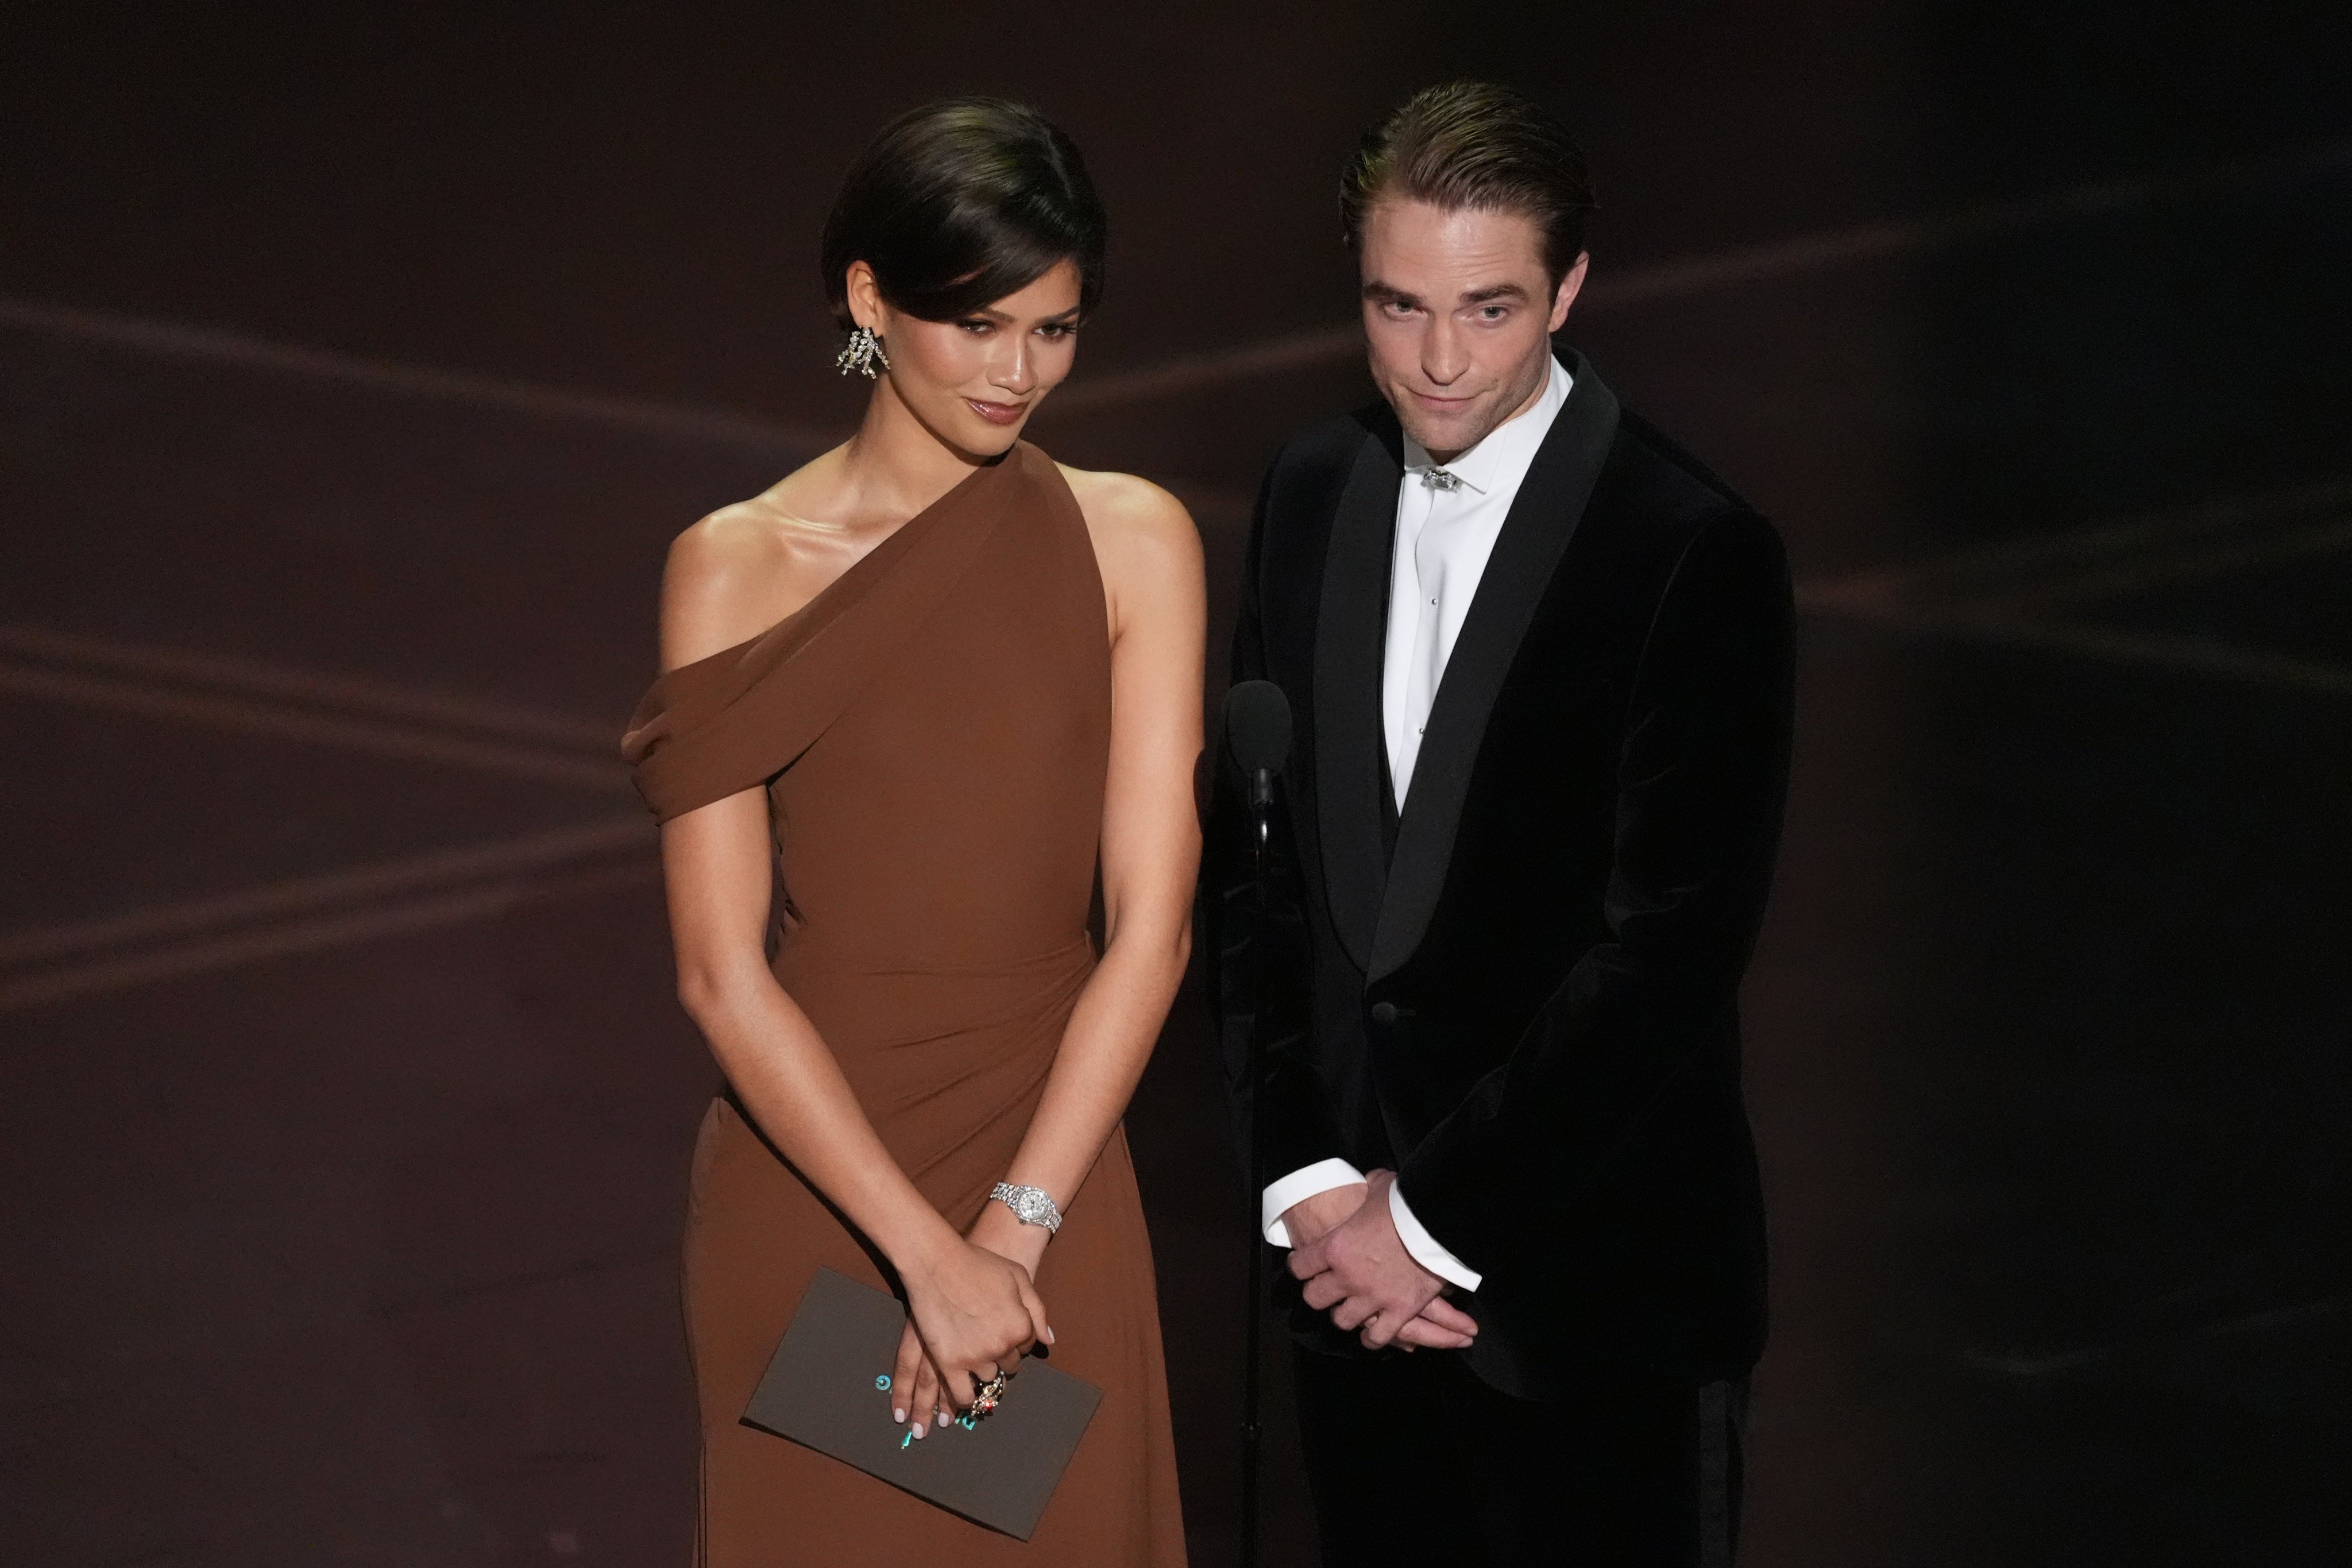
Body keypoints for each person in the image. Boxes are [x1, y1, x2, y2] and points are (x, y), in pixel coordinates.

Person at [1206, 81, 1793, 1565]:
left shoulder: (1691, 551)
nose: (1440, 360)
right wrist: (1311, 1185)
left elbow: (1668, 953)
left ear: (1572, 288)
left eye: (1488, 307)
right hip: (1347, 1284)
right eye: (1397, 306)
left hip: (1595, 1301)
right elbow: (1258, 872)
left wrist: (1428, 1219)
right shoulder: (1311, 490)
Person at [624, 98, 1200, 1566]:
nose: (1018, 373)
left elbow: (1152, 925)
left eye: (1056, 331)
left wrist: (1007, 1236)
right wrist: (924, 1256)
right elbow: (718, 972)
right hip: (820, 1193)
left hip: (1050, 1176)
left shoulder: (1133, 538)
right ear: (871, 300)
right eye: (980, 324)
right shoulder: (738, 565)